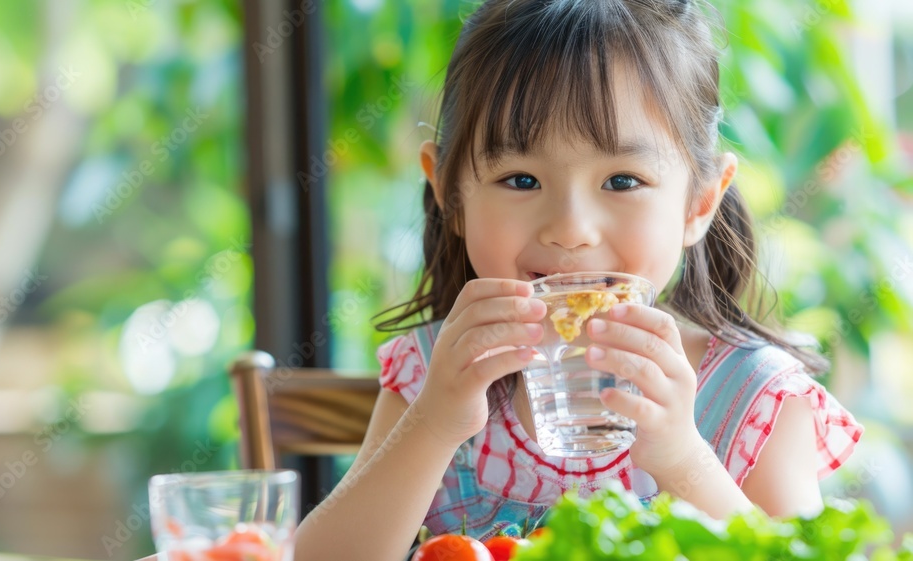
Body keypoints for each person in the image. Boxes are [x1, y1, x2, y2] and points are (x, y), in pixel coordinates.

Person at [294, 0, 863, 559]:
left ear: (700, 202)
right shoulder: (432, 372)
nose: (570, 230)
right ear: (450, 193)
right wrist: (434, 424)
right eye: (520, 179)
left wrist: (684, 461)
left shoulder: (753, 397)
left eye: (621, 181)